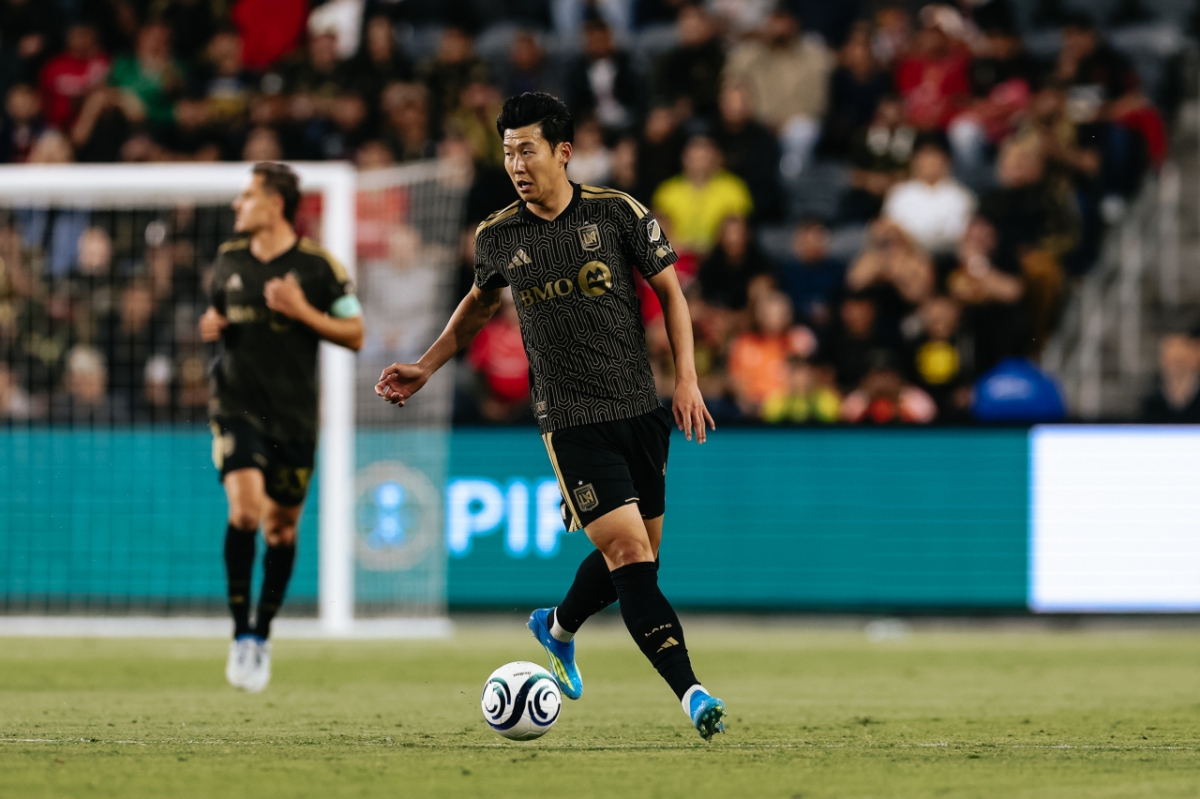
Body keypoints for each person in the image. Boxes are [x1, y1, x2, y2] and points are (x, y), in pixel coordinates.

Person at [376, 92, 727, 740]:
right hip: (568, 419)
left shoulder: (617, 212)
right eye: (507, 151)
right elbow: (478, 307)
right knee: (628, 553)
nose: (515, 162)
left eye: (527, 149)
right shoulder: (498, 234)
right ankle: (693, 693)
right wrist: (426, 365)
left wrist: (687, 379)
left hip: (638, 409)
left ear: (563, 152)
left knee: (641, 559)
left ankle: (557, 626)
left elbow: (672, 293)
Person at [200, 162, 364, 693]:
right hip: (235, 405)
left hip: (293, 417)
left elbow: (355, 332)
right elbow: (216, 315)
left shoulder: (319, 268)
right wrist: (212, 325)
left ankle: (261, 635)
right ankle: (239, 630)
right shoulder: (227, 260)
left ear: (274, 204)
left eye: (246, 196)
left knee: (281, 529)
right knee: (246, 511)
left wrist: (301, 312)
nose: (236, 205)